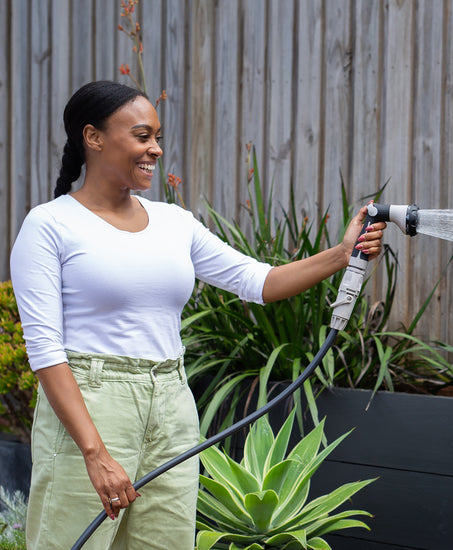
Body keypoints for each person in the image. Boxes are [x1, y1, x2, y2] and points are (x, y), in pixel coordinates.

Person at [10, 80, 386, 550]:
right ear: (94, 137)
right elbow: (45, 351)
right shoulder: (50, 225)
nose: (156, 149)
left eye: (157, 136)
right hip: (94, 403)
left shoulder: (173, 223)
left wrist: (341, 254)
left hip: (172, 402)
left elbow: (259, 282)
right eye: (143, 136)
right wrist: (95, 452)